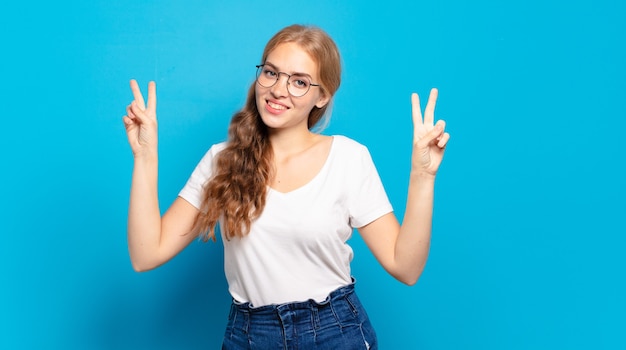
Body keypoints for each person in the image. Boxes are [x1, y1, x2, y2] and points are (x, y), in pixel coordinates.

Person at [123, 24, 449, 350]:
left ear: (322, 96)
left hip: (335, 332)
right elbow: (146, 254)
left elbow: (405, 267)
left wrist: (424, 177)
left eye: (299, 82)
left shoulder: (348, 158)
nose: (279, 90)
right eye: (271, 73)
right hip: (249, 335)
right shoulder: (222, 161)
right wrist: (145, 156)